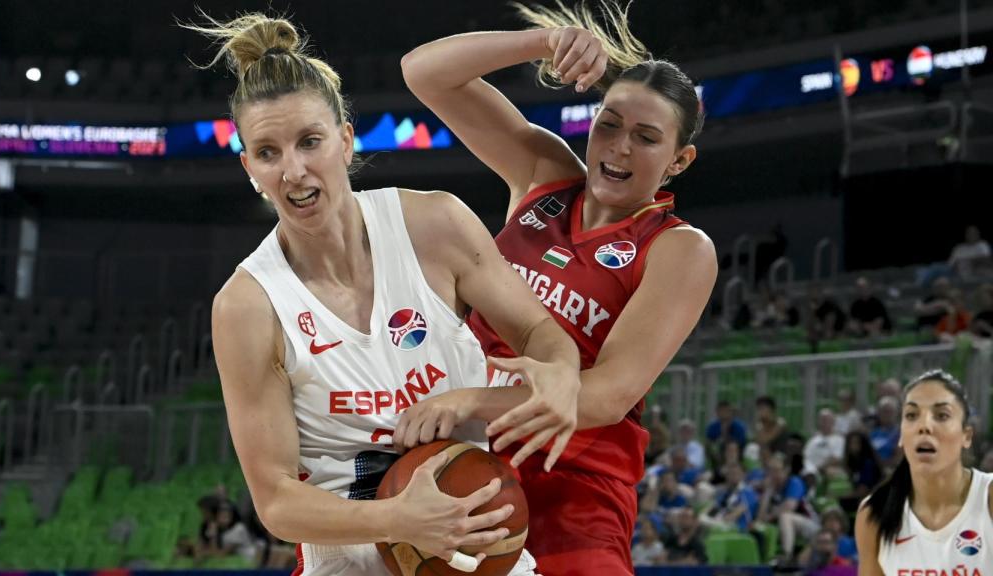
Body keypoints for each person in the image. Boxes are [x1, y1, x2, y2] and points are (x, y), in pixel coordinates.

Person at [193, 12, 585, 576]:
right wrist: (398, 520)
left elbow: (541, 334)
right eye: (269, 152)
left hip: (478, 541)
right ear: (249, 168)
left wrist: (562, 371)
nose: (295, 171)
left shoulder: (436, 224)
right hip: (348, 559)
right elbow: (276, 501)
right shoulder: (248, 305)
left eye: (310, 142)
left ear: (346, 141)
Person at [400, 2, 717, 574]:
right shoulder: (544, 173)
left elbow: (605, 397)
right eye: (610, 124)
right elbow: (424, 71)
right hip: (462, 459)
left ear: (679, 162)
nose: (619, 147)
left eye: (646, 138)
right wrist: (544, 42)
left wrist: (471, 401)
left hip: (574, 483)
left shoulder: (679, 248)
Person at [855, 369, 993, 574]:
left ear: (966, 436)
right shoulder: (874, 512)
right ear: (901, 435)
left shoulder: (988, 497)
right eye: (912, 415)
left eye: (942, 415)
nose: (924, 426)